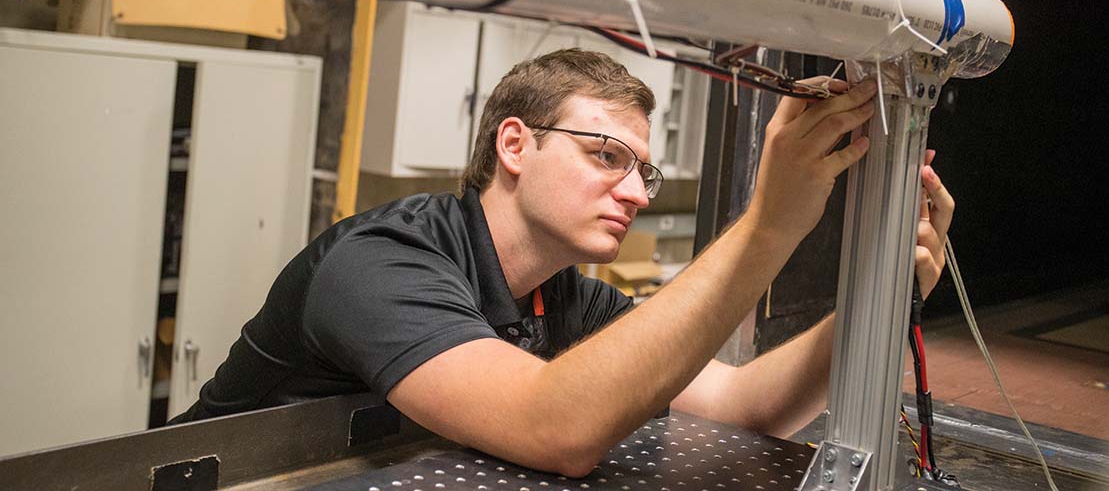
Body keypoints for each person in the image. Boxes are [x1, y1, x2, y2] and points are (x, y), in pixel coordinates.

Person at [172, 48, 953, 478]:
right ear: (515, 145)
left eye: (641, 168)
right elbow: (556, 428)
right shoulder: (379, 260)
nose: (637, 190)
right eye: (607, 154)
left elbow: (744, 405)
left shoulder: (563, 298)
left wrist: (881, 304)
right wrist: (767, 227)